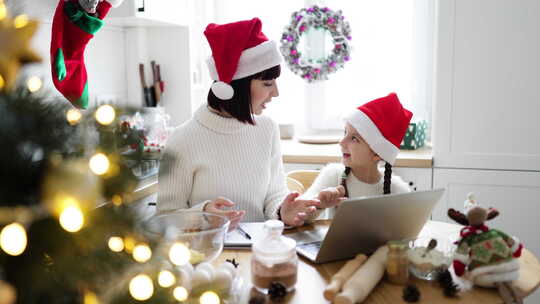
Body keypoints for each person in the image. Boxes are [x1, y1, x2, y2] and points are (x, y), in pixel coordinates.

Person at [158, 18, 319, 228]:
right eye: (267, 83)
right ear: (237, 86)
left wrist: (282, 211)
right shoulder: (183, 139)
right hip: (210, 253)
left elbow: (274, 194)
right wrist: (203, 214)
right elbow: (164, 217)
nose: (276, 93)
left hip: (261, 249)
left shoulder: (267, 128)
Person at [301, 93, 413, 220]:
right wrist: (319, 203)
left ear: (377, 153)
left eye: (354, 138)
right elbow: (299, 215)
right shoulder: (333, 175)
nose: (341, 142)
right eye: (345, 132)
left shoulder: (398, 190)